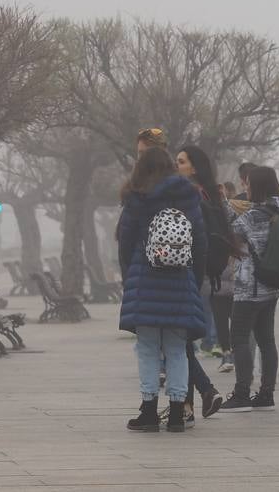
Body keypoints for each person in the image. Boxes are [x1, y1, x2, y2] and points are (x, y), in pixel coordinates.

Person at [118, 146, 207, 433]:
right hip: (180, 279)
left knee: (146, 348)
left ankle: (148, 410)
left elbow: (126, 239)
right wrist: (195, 276)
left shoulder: (138, 196)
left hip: (145, 278)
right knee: (177, 348)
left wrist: (127, 275)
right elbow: (201, 239)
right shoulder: (188, 195)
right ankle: (179, 412)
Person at [221, 165, 279, 413]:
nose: (245, 188)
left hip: (248, 287)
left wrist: (227, 205)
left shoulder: (250, 217)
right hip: (271, 287)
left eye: (248, 184)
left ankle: (241, 394)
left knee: (238, 337)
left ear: (256, 187)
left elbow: (228, 236)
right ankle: (266, 393)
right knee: (266, 340)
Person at [174, 143, 227, 420]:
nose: (177, 166)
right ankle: (189, 404)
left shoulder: (191, 195)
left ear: (193, 167)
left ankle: (202, 393)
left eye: (181, 162)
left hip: (190, 274)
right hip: (205, 274)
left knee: (178, 342)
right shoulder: (210, 193)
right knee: (181, 340)